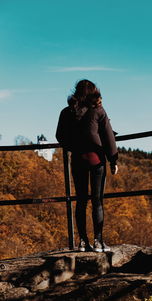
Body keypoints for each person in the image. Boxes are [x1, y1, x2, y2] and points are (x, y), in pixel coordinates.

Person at [56, 79, 118, 252]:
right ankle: (98, 241)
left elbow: (60, 135)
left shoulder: (67, 112)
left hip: (77, 159)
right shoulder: (98, 110)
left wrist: (73, 148)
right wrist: (113, 160)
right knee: (97, 201)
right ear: (93, 92)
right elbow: (108, 137)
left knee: (81, 201)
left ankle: (83, 242)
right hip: (96, 159)